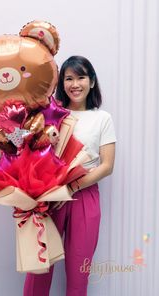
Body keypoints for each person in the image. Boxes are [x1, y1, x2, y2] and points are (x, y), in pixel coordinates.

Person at [23, 56, 116, 296]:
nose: (75, 84)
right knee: (40, 266)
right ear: (62, 84)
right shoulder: (53, 114)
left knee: (78, 269)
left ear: (92, 82)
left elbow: (107, 166)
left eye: (81, 77)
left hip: (84, 196)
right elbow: (30, 148)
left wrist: (72, 187)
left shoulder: (102, 118)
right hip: (49, 198)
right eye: (69, 78)